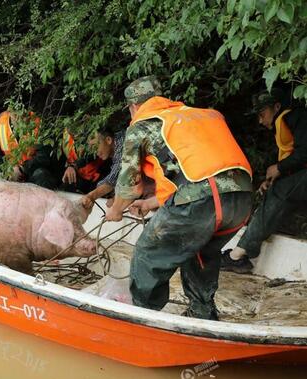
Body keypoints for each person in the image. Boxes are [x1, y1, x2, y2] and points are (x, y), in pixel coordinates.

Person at [105, 75, 253, 320]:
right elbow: (194, 174)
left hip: (200, 200)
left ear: (133, 107)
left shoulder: (142, 125)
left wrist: (117, 209)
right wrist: (152, 203)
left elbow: (130, 187)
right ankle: (203, 314)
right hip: (240, 198)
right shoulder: (195, 115)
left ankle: (141, 318)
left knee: (147, 251)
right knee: (200, 251)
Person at [221, 89, 307, 273]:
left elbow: (305, 153)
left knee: (279, 191)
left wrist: (280, 168)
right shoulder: (283, 123)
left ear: (276, 106)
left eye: (262, 114)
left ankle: (238, 255)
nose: (260, 121)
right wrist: (276, 174)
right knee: (275, 189)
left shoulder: (296, 117)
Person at [0, 110, 63, 189]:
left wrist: (22, 169)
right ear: (9, 111)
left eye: (22, 114)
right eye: (15, 114)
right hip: (9, 174)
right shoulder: (0, 125)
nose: (18, 117)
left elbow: (44, 157)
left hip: (32, 171)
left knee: (42, 175)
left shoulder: (39, 124)